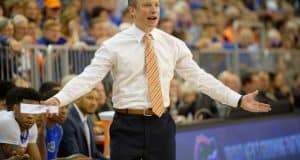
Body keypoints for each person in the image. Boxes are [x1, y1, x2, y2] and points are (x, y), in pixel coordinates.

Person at [44, 0, 271, 160]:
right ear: (132, 11)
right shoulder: (113, 45)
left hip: (161, 123)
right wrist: (59, 99)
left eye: (157, 5)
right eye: (146, 5)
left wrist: (238, 99)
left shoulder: (172, 44)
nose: (153, 9)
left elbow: (201, 78)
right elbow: (88, 77)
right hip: (126, 124)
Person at [57, 89, 106, 159]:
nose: (94, 103)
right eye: (90, 98)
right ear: (77, 99)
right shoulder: (68, 120)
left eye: (96, 99)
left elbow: (94, 152)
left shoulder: (88, 119)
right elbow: (74, 155)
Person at [0, 87, 41, 159]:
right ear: (15, 108)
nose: (30, 116)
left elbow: (36, 158)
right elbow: (13, 156)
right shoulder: (7, 122)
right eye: (26, 109)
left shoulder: (31, 125)